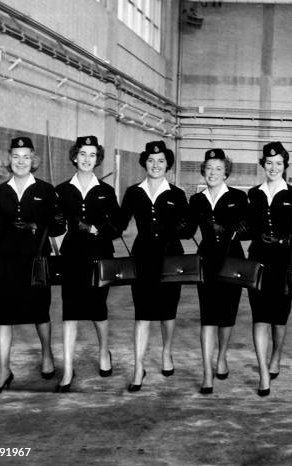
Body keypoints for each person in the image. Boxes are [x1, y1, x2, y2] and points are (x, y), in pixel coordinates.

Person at [0, 136, 65, 395]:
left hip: (36, 262)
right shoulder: (1, 191)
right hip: (8, 262)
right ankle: (3, 370)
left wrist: (41, 224)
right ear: (10, 159)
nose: (21, 161)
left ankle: (47, 355)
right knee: (4, 317)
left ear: (34, 160)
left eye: (26, 157)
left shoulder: (45, 190)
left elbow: (58, 226)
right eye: (16, 156)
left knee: (40, 312)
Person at [119, 141, 191, 392]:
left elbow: (189, 229)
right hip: (142, 257)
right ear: (144, 162)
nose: (156, 165)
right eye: (151, 160)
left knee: (168, 312)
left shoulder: (177, 194)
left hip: (171, 258)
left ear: (167, 164)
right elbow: (118, 224)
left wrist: (177, 227)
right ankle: (138, 368)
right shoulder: (133, 192)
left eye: (161, 161)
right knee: (142, 313)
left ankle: (167, 353)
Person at [55, 135, 122, 392]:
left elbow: (117, 227)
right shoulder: (61, 190)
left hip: (99, 257)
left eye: (92, 155)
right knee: (70, 311)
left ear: (98, 159)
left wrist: (96, 230)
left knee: (97, 308)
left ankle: (104, 352)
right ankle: (68, 369)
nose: (86, 159)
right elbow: (55, 226)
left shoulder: (106, 192)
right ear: (74, 156)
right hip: (71, 256)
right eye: (82, 153)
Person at [247, 141, 292, 397]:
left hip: (284, 263)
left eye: (279, 164)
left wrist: (288, 238)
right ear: (263, 164)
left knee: (279, 318)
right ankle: (264, 373)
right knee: (260, 316)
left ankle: (276, 356)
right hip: (258, 262)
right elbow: (248, 226)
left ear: (285, 166)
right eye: (269, 163)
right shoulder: (254, 193)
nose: (274, 167)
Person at [188, 149, 249, 394]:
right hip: (206, 262)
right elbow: (187, 229)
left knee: (227, 315)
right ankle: (206, 373)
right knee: (208, 317)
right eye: (209, 168)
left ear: (226, 172)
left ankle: (222, 357)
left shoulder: (238, 197)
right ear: (204, 170)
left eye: (218, 169)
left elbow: (248, 229)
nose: (212, 173)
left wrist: (232, 230)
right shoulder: (197, 200)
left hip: (232, 261)